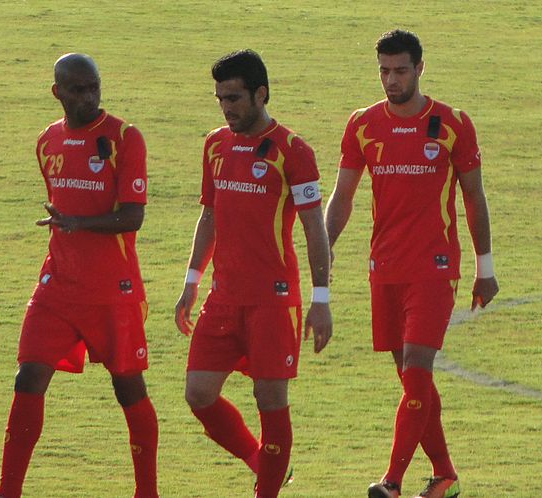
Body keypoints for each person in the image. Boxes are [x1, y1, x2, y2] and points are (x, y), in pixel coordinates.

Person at [324, 30, 499, 498]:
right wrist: (325, 246)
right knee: (411, 380)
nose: (391, 79)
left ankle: (392, 481)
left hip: (435, 267)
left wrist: (485, 266)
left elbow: (474, 197)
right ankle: (444, 475)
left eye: (400, 70)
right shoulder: (362, 124)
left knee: (418, 367)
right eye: (384, 70)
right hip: (385, 268)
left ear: (420, 68)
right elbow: (342, 196)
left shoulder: (452, 123)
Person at [0, 53, 159, 498]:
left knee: (128, 388)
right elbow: (58, 206)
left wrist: (79, 224)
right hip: (57, 286)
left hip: (112, 289)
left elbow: (133, 216)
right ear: (57, 92)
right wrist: (68, 227)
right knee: (28, 377)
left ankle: (147, 492)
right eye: (78, 89)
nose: (89, 97)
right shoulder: (48, 142)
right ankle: (8, 493)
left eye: (94, 87)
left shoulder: (124, 137)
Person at [174, 49, 333, 498]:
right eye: (220, 98)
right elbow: (210, 215)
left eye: (235, 98)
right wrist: (191, 282)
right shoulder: (215, 144)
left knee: (271, 400)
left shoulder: (293, 151)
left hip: (273, 299)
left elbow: (314, 229)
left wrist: (321, 301)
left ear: (260, 94)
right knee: (198, 394)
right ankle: (259, 461)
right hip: (222, 298)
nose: (227, 108)